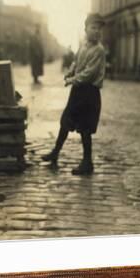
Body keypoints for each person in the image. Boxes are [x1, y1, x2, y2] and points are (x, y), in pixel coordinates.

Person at [41, 13, 106, 175]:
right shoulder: (83, 46)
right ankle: (55, 152)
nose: (96, 31)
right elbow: (76, 62)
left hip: (90, 92)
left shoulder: (99, 50)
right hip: (78, 91)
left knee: (85, 128)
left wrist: (72, 80)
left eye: (99, 29)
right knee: (66, 121)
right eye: (93, 28)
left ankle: (87, 162)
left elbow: (89, 73)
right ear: (86, 29)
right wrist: (70, 72)